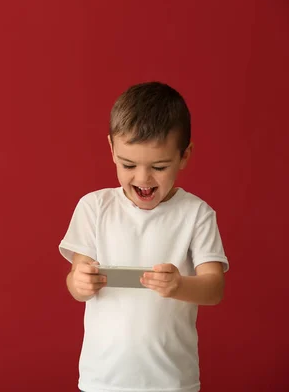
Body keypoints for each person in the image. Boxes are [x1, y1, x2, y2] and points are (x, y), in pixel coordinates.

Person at [59, 82, 229, 392]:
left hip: (172, 380)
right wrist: (80, 282)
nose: (143, 179)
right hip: (103, 379)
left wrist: (180, 284)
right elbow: (75, 283)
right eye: (128, 164)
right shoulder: (94, 208)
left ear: (184, 155)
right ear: (111, 149)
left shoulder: (197, 214)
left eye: (159, 167)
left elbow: (214, 288)